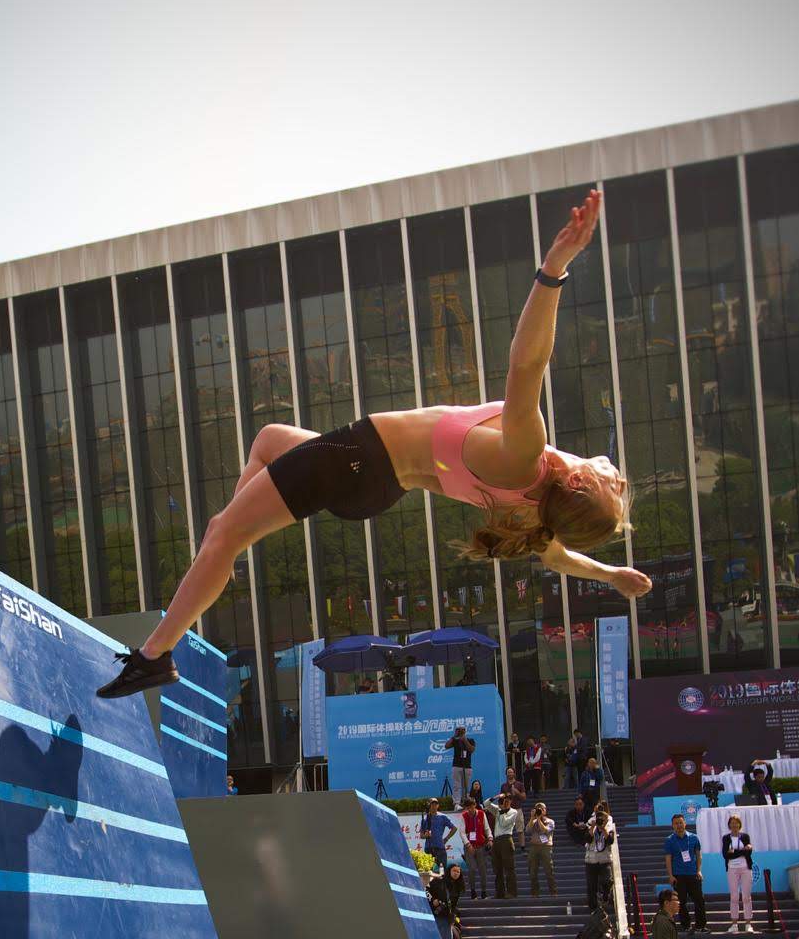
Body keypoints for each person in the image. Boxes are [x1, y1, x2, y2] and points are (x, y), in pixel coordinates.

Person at [96, 188, 650, 697]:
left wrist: (553, 270)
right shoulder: (534, 511)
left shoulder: (526, 455)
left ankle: (155, 655)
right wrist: (610, 575)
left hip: (360, 460)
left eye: (612, 483)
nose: (614, 471)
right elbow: (557, 557)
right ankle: (232, 542)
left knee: (221, 535)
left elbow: (528, 361)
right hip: (375, 480)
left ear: (578, 481)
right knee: (268, 441)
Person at [663, 812, 708, 934]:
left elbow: (698, 855)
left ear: (685, 823)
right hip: (678, 875)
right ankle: (685, 925)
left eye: (681, 823)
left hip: (693, 874)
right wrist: (670, 875)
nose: (679, 825)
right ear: (672, 826)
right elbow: (668, 858)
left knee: (699, 900)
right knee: (681, 902)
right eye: (676, 823)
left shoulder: (694, 838)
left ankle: (700, 926)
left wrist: (699, 870)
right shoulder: (669, 840)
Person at [721, 814, 755, 933]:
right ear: (729, 825)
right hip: (732, 869)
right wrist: (741, 851)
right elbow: (726, 855)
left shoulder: (745, 836)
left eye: (736, 823)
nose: (734, 825)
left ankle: (748, 924)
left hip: (745, 868)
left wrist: (734, 852)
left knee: (746, 896)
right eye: (732, 823)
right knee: (734, 896)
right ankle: (734, 924)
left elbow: (748, 853)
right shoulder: (726, 838)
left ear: (739, 824)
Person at [484, 790, 521, 898]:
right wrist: (495, 797)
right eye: (504, 800)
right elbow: (486, 803)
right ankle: (499, 892)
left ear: (511, 801)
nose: (506, 802)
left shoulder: (514, 812)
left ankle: (512, 892)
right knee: (497, 868)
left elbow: (504, 823)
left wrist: (503, 811)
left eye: (508, 800)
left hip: (506, 839)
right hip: (496, 840)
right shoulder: (498, 809)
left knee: (509, 868)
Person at [584, 800, 616, 913]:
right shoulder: (591, 821)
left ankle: (606, 896)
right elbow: (587, 838)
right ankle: (593, 908)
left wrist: (603, 828)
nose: (599, 819)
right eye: (598, 816)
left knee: (607, 880)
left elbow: (610, 840)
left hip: (604, 859)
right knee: (591, 885)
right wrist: (593, 826)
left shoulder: (608, 823)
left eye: (602, 816)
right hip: (591, 860)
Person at [459, 799, 492, 900]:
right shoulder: (464, 816)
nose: (469, 809)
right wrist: (468, 844)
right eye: (467, 807)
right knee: (472, 869)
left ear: (475, 805)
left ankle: (484, 892)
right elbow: (462, 832)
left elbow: (487, 828)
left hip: (481, 846)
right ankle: (473, 891)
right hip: (469, 847)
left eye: (471, 807)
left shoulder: (482, 814)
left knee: (483, 870)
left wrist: (490, 838)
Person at [526, 802, 557, 896]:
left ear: (545, 810)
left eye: (541, 809)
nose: (540, 810)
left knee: (549, 871)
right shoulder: (533, 821)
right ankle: (535, 893)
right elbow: (527, 830)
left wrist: (539, 819)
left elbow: (545, 830)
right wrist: (532, 817)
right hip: (534, 847)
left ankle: (553, 892)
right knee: (532, 871)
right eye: (537, 809)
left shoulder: (550, 821)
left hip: (545, 847)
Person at [419, 799, 456, 873]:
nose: (434, 806)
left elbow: (454, 828)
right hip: (428, 848)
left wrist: (446, 839)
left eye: (435, 804)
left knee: (443, 871)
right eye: (432, 804)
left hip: (440, 847)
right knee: (428, 872)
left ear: (438, 806)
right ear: (429, 806)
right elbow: (421, 835)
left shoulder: (443, 817)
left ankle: (443, 884)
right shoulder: (425, 819)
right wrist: (425, 835)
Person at [445, 725, 476, 805]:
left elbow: (471, 749)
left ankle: (465, 802)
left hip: (467, 766)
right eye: (459, 730)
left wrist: (464, 739)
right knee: (456, 785)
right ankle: (457, 803)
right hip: (456, 765)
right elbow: (446, 746)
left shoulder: (470, 740)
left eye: (462, 730)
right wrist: (454, 736)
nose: (461, 732)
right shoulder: (455, 740)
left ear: (465, 731)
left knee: (465, 786)